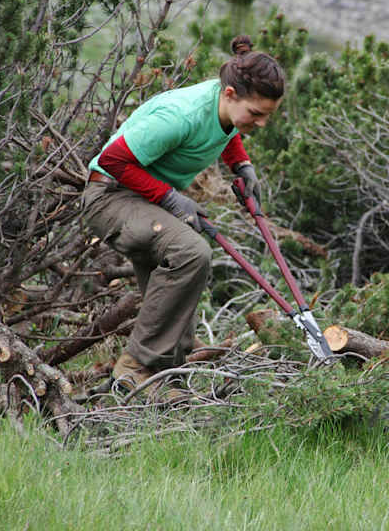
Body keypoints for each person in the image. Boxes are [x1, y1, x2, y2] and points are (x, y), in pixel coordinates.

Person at [82, 35, 285, 389]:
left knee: (183, 272)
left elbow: (224, 128)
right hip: (111, 197)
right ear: (231, 95)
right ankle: (135, 368)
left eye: (267, 116)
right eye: (256, 114)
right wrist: (172, 199)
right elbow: (113, 160)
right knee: (191, 252)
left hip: (146, 201)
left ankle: (166, 379)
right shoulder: (181, 115)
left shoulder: (222, 103)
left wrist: (242, 166)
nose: (262, 124)